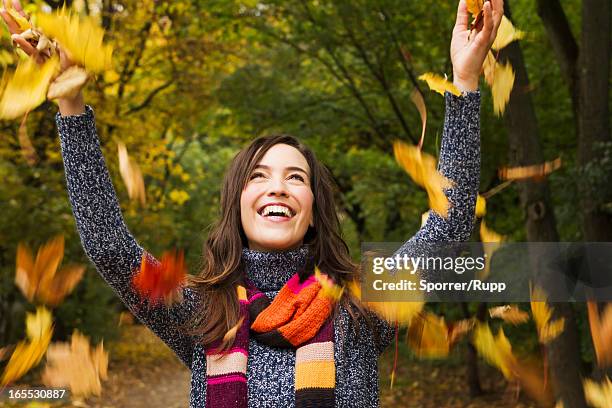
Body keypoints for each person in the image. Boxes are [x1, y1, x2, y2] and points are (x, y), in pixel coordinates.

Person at [2, 0, 503, 406]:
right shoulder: (201, 311)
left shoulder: (360, 303)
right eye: (259, 176)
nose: (278, 187)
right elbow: (109, 245)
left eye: (296, 177)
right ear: (238, 205)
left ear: (314, 210)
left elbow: (451, 223)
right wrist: (70, 102)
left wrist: (465, 82)